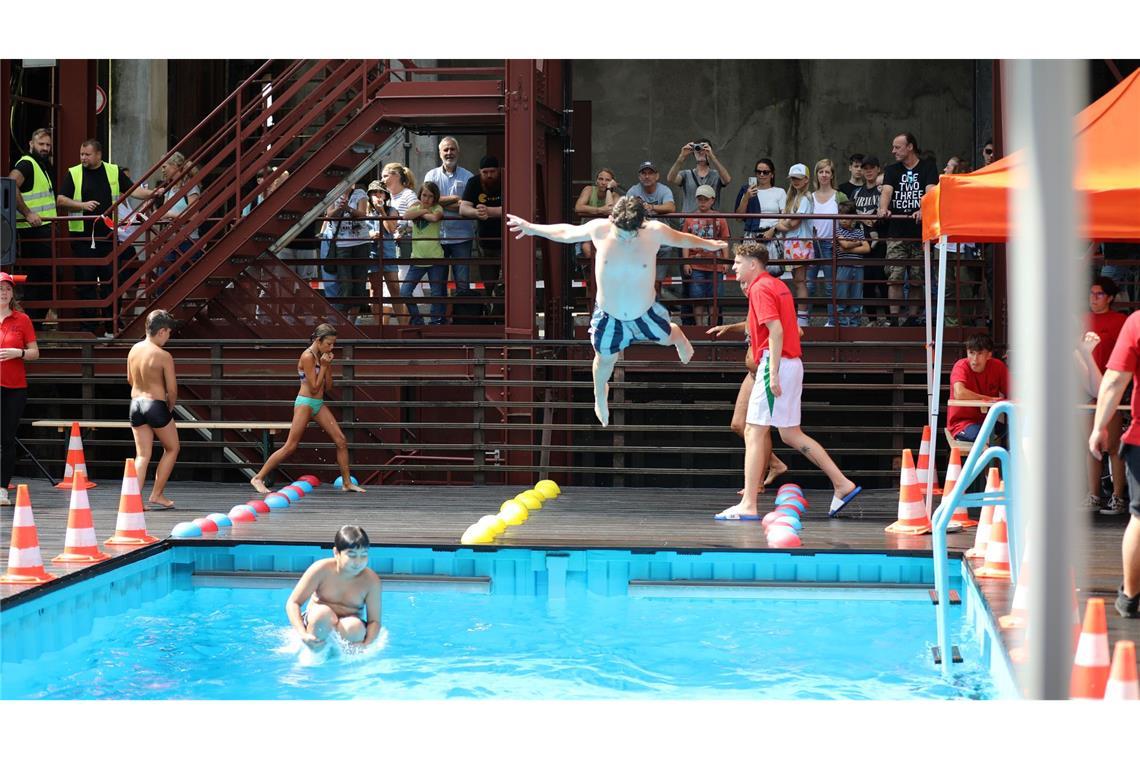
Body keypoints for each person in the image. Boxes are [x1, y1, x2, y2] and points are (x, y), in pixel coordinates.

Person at [507, 197, 725, 427]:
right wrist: (532, 228)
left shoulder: (654, 231)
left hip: (644, 311)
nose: (627, 237)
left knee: (666, 338)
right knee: (604, 360)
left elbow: (683, 239)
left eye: (632, 232)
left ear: (642, 222)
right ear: (612, 220)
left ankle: (679, 338)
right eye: (622, 232)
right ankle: (600, 394)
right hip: (609, 314)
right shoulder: (600, 229)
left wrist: (709, 244)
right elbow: (567, 232)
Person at [714, 241, 860, 520]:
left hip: (776, 363)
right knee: (790, 433)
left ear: (752, 264)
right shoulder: (778, 286)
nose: (733, 267)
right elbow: (791, 330)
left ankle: (748, 504)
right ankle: (842, 484)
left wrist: (772, 373)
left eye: (737, 262)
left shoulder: (759, 287)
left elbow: (776, 331)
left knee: (753, 431)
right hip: (793, 363)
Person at [251, 324, 366, 495]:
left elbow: (328, 387)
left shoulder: (322, 356)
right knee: (290, 446)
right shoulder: (307, 356)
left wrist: (328, 366)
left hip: (318, 403)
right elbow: (313, 387)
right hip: (305, 402)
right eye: (329, 343)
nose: (331, 347)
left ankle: (347, 483)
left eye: (334, 344)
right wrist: (325, 367)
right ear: (318, 341)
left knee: (341, 441)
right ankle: (258, 478)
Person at [56, 139, 154, 335]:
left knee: (112, 282)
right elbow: (60, 199)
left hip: (108, 237)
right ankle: (89, 329)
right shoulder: (74, 173)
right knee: (86, 284)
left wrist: (153, 193)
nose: (83, 158)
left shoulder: (113, 171)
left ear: (99, 155)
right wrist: (82, 205)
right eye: (81, 154)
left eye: (87, 154)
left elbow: (133, 190)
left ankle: (111, 327)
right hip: (83, 239)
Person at [707, 278, 793, 490]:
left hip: (764, 370)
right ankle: (774, 463)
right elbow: (750, 326)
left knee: (758, 427)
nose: (745, 288)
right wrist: (729, 327)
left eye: (747, 284)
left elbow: (792, 331)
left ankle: (757, 483)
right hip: (752, 373)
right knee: (738, 424)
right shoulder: (754, 302)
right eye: (742, 285)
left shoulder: (765, 297)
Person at [1089, 309, 1140, 618]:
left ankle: (1131, 597)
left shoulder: (1136, 322)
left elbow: (1114, 380)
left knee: (1139, 518)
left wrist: (1099, 427)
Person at [286, 525, 383, 650]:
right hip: (318, 625)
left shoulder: (371, 580)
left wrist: (366, 644)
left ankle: (345, 661)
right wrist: (302, 634)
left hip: (348, 629)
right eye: (352, 555)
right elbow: (293, 603)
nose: (358, 561)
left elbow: (374, 621)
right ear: (336, 552)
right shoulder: (321, 569)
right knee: (322, 614)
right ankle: (314, 654)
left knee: (355, 627)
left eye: (363, 555)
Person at [878, 133, 939, 327]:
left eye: (897, 147)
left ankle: (912, 318)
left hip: (920, 233)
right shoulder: (891, 169)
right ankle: (894, 318)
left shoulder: (928, 166)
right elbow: (887, 191)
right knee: (894, 275)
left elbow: (931, 191)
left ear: (910, 147)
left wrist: (923, 209)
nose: (893, 151)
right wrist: (883, 208)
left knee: (916, 276)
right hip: (896, 232)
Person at [1081, 277, 1129, 514]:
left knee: (1112, 445)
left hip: (1112, 387)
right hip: (1087, 389)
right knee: (1091, 443)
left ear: (1110, 297)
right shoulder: (1081, 320)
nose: (1093, 298)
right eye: (1091, 293)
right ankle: (1094, 495)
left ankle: (1119, 496)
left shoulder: (1120, 321)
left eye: (1099, 294)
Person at [126, 310, 181, 509]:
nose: (168, 337)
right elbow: (172, 389)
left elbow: (130, 380)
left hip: (135, 404)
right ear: (162, 331)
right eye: (168, 333)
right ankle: (157, 494)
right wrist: (169, 406)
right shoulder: (163, 355)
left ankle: (133, 500)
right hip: (155, 404)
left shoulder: (134, 349)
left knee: (142, 455)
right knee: (172, 448)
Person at [0, 272, 40, 506]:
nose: (4, 292)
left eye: (7, 288)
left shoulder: (22, 319)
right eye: (0, 288)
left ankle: (2, 488)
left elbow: (35, 352)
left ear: (13, 293)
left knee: (7, 438)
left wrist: (19, 353)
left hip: (15, 386)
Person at [8, 128, 56, 319]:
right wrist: (27, 213)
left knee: (43, 276)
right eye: (41, 144)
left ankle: (35, 321)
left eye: (48, 145)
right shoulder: (27, 163)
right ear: (31, 144)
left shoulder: (41, 164)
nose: (45, 148)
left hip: (42, 229)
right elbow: (10, 185)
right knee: (42, 276)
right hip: (32, 230)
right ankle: (33, 321)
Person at [423, 137, 477, 302]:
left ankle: (462, 322)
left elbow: (469, 206)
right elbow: (427, 202)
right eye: (445, 150)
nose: (449, 153)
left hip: (462, 238)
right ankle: (439, 322)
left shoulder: (469, 177)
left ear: (458, 152)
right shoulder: (431, 175)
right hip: (438, 238)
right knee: (437, 285)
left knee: (462, 285)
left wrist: (439, 201)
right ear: (440, 153)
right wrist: (455, 199)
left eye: (452, 149)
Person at [763, 163, 814, 326]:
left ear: (806, 179)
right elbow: (788, 222)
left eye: (798, 178)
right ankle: (800, 315)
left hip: (800, 242)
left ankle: (803, 318)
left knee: (800, 281)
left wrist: (776, 225)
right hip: (792, 243)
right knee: (796, 280)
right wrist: (781, 224)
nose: (795, 181)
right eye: (793, 178)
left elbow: (793, 223)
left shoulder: (805, 197)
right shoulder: (794, 198)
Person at [680, 185, 730, 326]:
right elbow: (685, 242)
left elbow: (724, 240)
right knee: (697, 297)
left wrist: (725, 261)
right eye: (700, 199)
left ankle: (712, 326)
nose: (702, 202)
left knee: (715, 297)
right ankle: (700, 326)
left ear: (712, 200)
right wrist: (686, 262)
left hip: (716, 264)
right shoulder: (690, 219)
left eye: (705, 199)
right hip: (696, 264)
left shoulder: (720, 218)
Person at [626, 160, 678, 294]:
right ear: (639, 176)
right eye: (644, 173)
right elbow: (625, 210)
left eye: (650, 173)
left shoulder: (664, 190)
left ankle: (654, 307)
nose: (647, 176)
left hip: (661, 242)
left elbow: (671, 207)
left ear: (657, 176)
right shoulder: (634, 190)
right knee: (639, 279)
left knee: (657, 281)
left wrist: (652, 207)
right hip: (639, 240)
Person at [946, 333, 1009, 442]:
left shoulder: (998, 367)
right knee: (983, 437)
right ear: (967, 352)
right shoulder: (961, 366)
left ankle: (1004, 458)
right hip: (962, 423)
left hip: (988, 421)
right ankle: (989, 457)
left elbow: (1013, 391)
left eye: (980, 354)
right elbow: (959, 393)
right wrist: (987, 398)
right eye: (971, 353)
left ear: (989, 355)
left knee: (1016, 432)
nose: (975, 359)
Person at [400, 182, 447, 326]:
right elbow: (406, 216)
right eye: (424, 195)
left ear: (435, 198)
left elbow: (435, 218)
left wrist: (421, 213)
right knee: (405, 292)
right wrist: (423, 212)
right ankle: (417, 319)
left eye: (430, 196)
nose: (426, 199)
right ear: (420, 194)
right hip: (417, 258)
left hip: (435, 258)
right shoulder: (416, 207)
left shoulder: (437, 208)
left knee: (436, 293)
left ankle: (435, 321)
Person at [809, 158, 849, 326]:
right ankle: (804, 320)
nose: (824, 175)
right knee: (808, 285)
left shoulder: (839, 196)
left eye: (827, 172)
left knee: (830, 286)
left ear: (832, 175)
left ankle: (833, 321)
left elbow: (848, 221)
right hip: (811, 244)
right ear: (816, 175)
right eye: (821, 172)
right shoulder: (809, 197)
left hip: (831, 244)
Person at [574, 168, 623, 302]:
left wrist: (609, 190)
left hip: (607, 238)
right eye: (600, 179)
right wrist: (598, 210)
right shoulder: (589, 190)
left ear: (613, 182)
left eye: (607, 180)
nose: (603, 182)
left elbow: (611, 208)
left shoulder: (616, 196)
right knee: (590, 276)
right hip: (587, 236)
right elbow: (578, 207)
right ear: (596, 180)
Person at [852, 156, 888, 326]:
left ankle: (888, 318)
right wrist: (861, 218)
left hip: (880, 243)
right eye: (865, 168)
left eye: (871, 168)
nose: (868, 171)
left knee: (882, 281)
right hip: (861, 242)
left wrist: (874, 219)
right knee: (866, 283)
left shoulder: (882, 191)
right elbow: (849, 214)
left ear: (878, 169)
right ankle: (872, 319)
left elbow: (889, 212)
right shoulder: (857, 192)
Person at [459, 156, 504, 292]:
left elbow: (518, 208)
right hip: (485, 242)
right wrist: (476, 213)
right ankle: (489, 309)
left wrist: (489, 211)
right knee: (488, 283)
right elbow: (463, 208)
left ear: (499, 171)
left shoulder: (508, 179)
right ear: (480, 172)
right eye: (485, 172)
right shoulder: (474, 182)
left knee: (507, 283)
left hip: (509, 241)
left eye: (492, 172)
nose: (489, 175)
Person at [365, 180, 405, 324]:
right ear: (369, 195)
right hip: (371, 253)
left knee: (394, 289)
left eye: (381, 192)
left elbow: (391, 229)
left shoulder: (391, 210)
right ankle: (378, 327)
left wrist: (381, 211)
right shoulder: (365, 211)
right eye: (374, 193)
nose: (378, 195)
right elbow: (360, 231)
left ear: (386, 196)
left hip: (388, 253)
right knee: (375, 291)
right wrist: (370, 234)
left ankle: (402, 325)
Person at [666, 139, 733, 211]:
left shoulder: (717, 175)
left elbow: (727, 180)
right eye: (697, 149)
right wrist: (682, 156)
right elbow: (671, 179)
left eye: (704, 148)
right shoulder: (686, 174)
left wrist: (712, 157)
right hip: (689, 220)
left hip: (710, 220)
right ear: (693, 152)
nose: (701, 152)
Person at [833, 199, 870, 326]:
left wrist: (850, 246)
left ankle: (855, 324)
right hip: (844, 266)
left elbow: (867, 248)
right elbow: (844, 244)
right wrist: (857, 242)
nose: (843, 220)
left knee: (856, 297)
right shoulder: (837, 230)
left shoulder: (859, 231)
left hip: (858, 266)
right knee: (841, 296)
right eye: (841, 216)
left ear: (853, 217)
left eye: (847, 217)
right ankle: (842, 325)